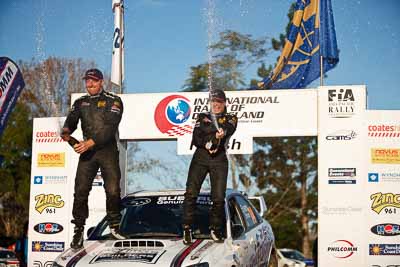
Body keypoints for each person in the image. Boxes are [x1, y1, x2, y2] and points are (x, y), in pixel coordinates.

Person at [61, 68, 124, 249]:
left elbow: (110, 129)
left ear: (101, 82)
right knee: (80, 191)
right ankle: (79, 230)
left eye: (94, 81)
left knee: (112, 190)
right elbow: (71, 121)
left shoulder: (115, 101)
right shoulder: (81, 103)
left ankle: (114, 226)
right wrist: (66, 132)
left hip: (108, 151)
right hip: (87, 155)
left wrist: (89, 142)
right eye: (87, 81)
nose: (90, 84)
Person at [182, 89, 238, 244]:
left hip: (219, 160)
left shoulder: (231, 117)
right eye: (214, 102)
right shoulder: (202, 116)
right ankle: (187, 228)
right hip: (200, 158)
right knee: (191, 193)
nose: (216, 105)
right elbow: (196, 136)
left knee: (219, 197)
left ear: (224, 103)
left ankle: (215, 229)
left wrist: (222, 132)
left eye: (219, 102)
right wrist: (212, 138)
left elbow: (229, 128)